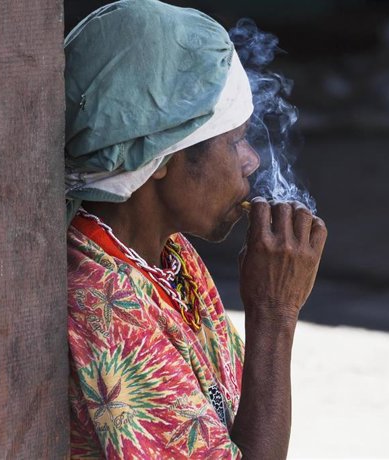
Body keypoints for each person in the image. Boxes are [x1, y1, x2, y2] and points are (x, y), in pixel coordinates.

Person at [64, 1, 327, 458]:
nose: (252, 160)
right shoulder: (103, 307)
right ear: (162, 158)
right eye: (234, 140)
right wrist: (274, 314)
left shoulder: (166, 254)